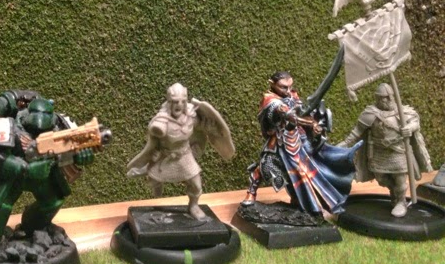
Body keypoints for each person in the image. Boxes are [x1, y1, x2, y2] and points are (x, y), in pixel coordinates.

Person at [0, 97, 95, 260]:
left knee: (52, 202)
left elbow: (74, 152)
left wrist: (82, 155)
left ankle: (33, 227)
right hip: (13, 176)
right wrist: (22, 168)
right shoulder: (8, 125)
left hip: (45, 174)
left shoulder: (61, 126)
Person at [243, 71, 360, 215]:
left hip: (297, 141)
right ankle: (251, 193)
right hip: (279, 141)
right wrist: (309, 123)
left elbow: (303, 113)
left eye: (290, 86)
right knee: (264, 166)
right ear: (272, 84)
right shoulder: (270, 99)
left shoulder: (293, 96)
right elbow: (289, 115)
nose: (288, 90)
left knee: (299, 172)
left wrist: (314, 122)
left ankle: (298, 200)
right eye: (283, 87)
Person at [127, 83, 235, 220]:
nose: (179, 105)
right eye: (175, 102)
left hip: (185, 156)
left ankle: (193, 206)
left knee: (196, 185)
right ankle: (150, 177)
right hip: (165, 157)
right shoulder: (161, 121)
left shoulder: (191, 117)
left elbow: (203, 127)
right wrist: (153, 153)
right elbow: (153, 140)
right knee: (154, 180)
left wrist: (212, 128)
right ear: (169, 102)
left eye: (182, 101)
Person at [337, 83, 432, 217]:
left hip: (398, 152)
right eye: (381, 98)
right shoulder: (370, 114)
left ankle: (401, 202)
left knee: (400, 180)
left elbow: (415, 121)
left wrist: (409, 128)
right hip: (379, 153)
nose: (385, 100)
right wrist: (344, 144)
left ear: (393, 97)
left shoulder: (402, 112)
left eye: (387, 97)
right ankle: (394, 191)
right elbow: (356, 132)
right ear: (376, 98)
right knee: (381, 179)